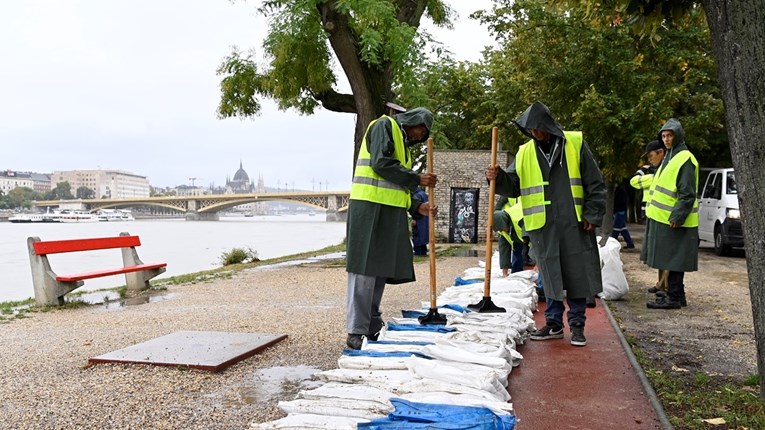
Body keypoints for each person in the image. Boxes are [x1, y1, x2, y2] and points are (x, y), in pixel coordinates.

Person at [486, 101, 606, 347]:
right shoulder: (524, 153)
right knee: (549, 275)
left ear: (548, 125)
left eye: (538, 128)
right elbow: (513, 185)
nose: (534, 134)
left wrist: (593, 215)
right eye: (530, 130)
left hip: (574, 222)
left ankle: (577, 324)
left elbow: (595, 182)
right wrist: (497, 178)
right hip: (543, 224)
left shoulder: (574, 143)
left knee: (576, 273)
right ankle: (553, 323)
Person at [345, 107, 437, 350]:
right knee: (364, 270)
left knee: (380, 270)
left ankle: (372, 323)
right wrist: (417, 178)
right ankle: (356, 330)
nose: (420, 136)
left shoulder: (403, 146)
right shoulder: (383, 126)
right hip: (369, 208)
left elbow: (397, 188)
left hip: (389, 211)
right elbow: (381, 164)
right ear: (413, 120)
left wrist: (418, 206)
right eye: (421, 130)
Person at [642, 118, 699, 309]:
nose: (666, 139)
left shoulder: (684, 158)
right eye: (664, 136)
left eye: (670, 135)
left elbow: (687, 193)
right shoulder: (671, 156)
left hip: (675, 220)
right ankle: (678, 296)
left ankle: (673, 298)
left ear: (678, 136)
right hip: (665, 218)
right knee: (672, 258)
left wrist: (677, 216)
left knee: (674, 259)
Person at [631, 140, 669, 293]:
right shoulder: (652, 171)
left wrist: (645, 175)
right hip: (653, 213)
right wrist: (649, 175)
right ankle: (661, 283)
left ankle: (663, 284)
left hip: (663, 214)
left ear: (661, 152)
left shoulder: (663, 171)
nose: (649, 160)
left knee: (666, 253)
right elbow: (634, 182)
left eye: (651, 155)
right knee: (658, 252)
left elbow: (635, 181)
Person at [493, 195, 525, 276]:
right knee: (518, 257)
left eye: (501, 229)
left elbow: (536, 244)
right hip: (517, 237)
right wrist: (505, 272)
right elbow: (504, 250)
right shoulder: (502, 228)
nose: (502, 231)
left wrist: (538, 265)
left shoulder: (521, 220)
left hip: (524, 220)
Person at [611, 184, 635, 248]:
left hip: (619, 211)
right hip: (620, 211)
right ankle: (630, 243)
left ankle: (611, 243)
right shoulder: (620, 192)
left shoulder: (620, 192)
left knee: (616, 229)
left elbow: (618, 202)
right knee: (623, 229)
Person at [411, 188, 429, 256]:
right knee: (423, 236)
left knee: (417, 235)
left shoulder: (417, 195)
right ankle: (423, 251)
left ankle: (418, 252)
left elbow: (416, 208)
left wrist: (414, 219)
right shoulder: (423, 194)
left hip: (419, 219)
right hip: (425, 218)